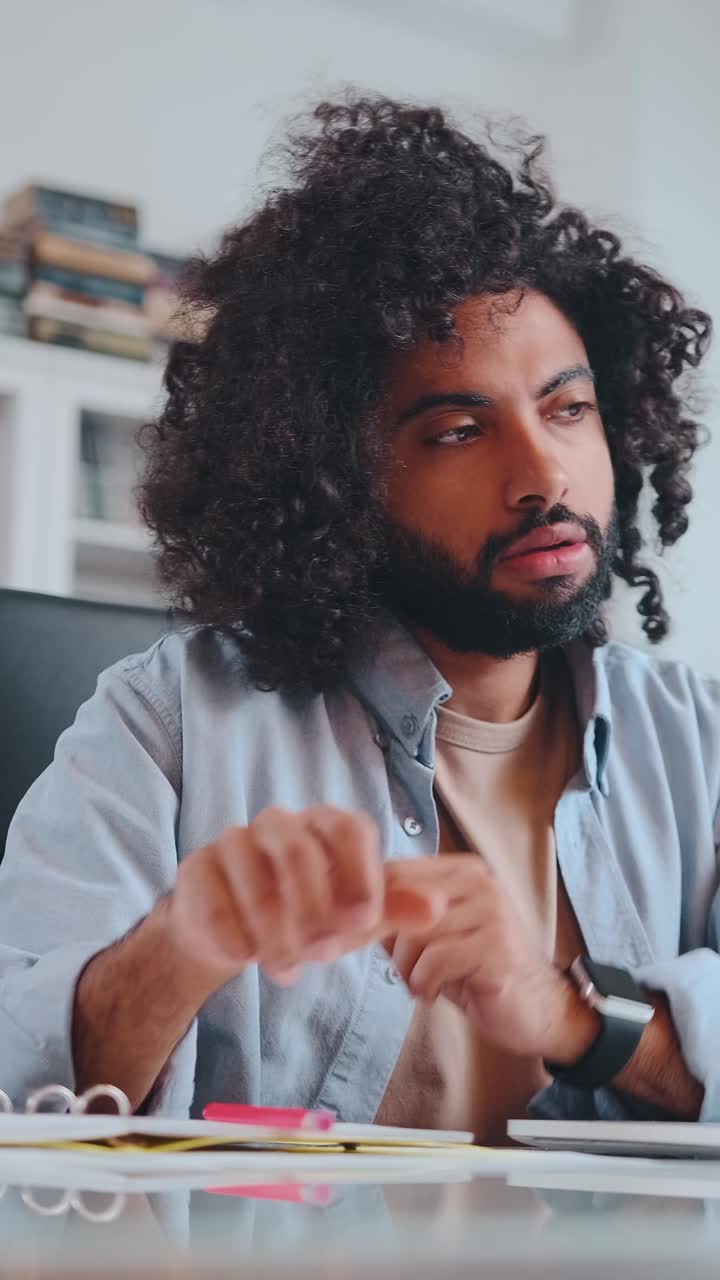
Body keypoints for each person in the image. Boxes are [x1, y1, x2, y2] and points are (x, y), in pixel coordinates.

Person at [0, 96, 717, 1141]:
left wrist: (576, 1014)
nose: (542, 474)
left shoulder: (696, 744)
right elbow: (19, 1097)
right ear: (337, 480)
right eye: (459, 430)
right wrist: (177, 947)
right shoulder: (171, 726)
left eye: (569, 409)